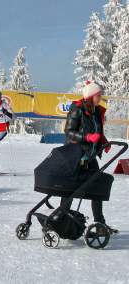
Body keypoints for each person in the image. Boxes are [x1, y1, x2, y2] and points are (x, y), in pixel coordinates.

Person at [61, 80, 116, 233]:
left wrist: (103, 141)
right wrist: (87, 137)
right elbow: (69, 131)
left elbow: (98, 131)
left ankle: (100, 225)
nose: (101, 98)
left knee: (97, 188)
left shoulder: (97, 111)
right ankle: (60, 218)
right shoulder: (77, 109)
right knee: (70, 190)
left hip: (90, 156)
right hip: (76, 155)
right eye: (99, 95)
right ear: (91, 95)